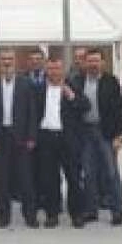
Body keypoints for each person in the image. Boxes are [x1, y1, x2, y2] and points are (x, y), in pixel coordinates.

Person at [35, 57, 89, 229]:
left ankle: (77, 214)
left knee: (73, 177)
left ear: (63, 70)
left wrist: (72, 97)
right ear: (46, 70)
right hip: (46, 138)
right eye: (50, 69)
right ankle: (52, 214)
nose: (54, 72)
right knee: (49, 179)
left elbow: (85, 105)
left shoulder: (73, 86)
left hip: (68, 139)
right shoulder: (38, 89)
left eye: (57, 68)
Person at [72, 48, 122, 226]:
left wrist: (118, 136)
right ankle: (91, 210)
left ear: (103, 62)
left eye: (96, 61)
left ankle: (117, 211)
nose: (93, 64)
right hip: (86, 133)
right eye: (90, 61)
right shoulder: (77, 81)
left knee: (111, 173)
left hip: (105, 132)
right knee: (89, 173)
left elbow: (118, 110)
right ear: (85, 63)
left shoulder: (111, 81)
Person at [0, 49, 38, 228]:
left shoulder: (26, 84)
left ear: (15, 61)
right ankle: (3, 216)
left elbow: (32, 112)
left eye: (10, 59)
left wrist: (32, 136)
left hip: (22, 137)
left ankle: (30, 216)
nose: (7, 62)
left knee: (26, 179)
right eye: (3, 59)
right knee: (2, 180)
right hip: (0, 137)